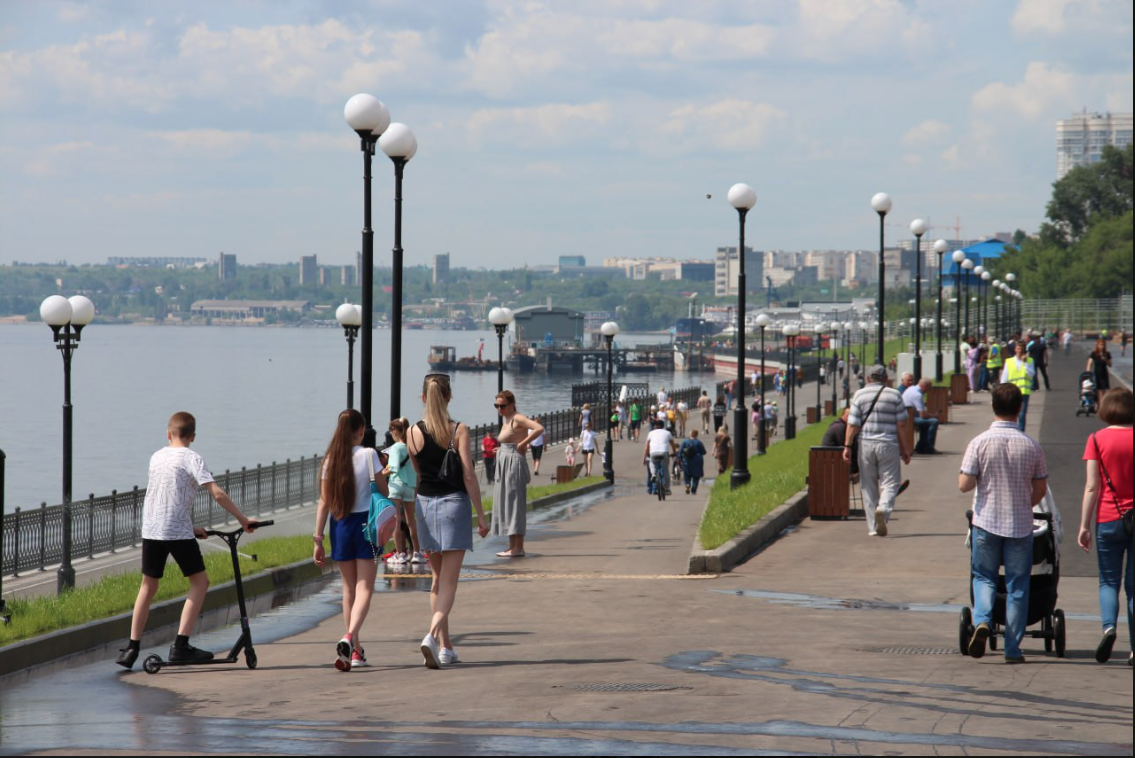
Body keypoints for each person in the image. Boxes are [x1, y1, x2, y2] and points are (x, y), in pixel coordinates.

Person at [117, 412, 260, 669]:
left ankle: (131, 648)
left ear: (168, 433)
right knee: (200, 582)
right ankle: (181, 646)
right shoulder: (193, 458)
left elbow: (165, 498)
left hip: (152, 529)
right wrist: (242, 519)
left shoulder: (156, 456)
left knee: (148, 587)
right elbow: (216, 493)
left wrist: (191, 528)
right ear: (193, 436)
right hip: (176, 532)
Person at [959, 383, 1049, 664]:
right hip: (1020, 523)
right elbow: (1040, 489)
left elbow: (964, 485)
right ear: (1020, 409)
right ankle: (1012, 648)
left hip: (986, 521)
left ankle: (983, 620)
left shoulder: (979, 442)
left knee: (984, 576)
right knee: (1017, 585)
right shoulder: (1031, 445)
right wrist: (1024, 502)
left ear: (993, 406)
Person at [407, 373, 490, 669]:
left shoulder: (412, 432)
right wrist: (481, 514)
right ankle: (431, 636)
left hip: (425, 506)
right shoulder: (459, 430)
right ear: (449, 397)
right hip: (454, 504)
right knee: (451, 583)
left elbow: (417, 475)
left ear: (422, 398)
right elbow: (468, 473)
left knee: (437, 581)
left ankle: (446, 647)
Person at [308, 409, 387, 670]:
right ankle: (349, 638)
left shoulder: (330, 460)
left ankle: (355, 651)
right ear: (361, 431)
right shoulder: (369, 455)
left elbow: (323, 503)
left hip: (339, 524)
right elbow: (383, 491)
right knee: (365, 587)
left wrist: (317, 540)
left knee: (348, 589)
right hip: (366, 524)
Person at [1077, 387, 1133, 666]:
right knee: (1134, 587)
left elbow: (1091, 487)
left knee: (1109, 581)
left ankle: (1109, 627)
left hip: (1109, 519)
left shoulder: (1096, 439)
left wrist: (1084, 526)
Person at [844, 365, 911, 537]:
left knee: (868, 485)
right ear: (886, 378)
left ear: (868, 379)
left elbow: (852, 424)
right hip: (888, 443)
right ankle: (883, 509)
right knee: (890, 483)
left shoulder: (859, 395)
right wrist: (905, 449)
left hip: (865, 443)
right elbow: (902, 424)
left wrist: (847, 446)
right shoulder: (895, 394)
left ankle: (873, 527)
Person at [491, 390, 543, 559]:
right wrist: (501, 449)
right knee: (508, 502)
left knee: (515, 503)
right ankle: (512, 546)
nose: (499, 409)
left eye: (502, 405)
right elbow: (509, 440)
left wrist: (522, 443)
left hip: (514, 463)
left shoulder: (517, 417)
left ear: (512, 404)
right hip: (505, 460)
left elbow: (538, 428)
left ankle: (518, 547)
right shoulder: (506, 420)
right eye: (497, 406)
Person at [385, 418, 424, 567]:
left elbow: (393, 466)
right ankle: (417, 552)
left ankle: (400, 554)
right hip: (410, 486)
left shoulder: (395, 448)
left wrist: (382, 474)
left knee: (396, 521)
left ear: (395, 431)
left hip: (396, 485)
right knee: (411, 521)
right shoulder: (411, 446)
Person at [1000, 341, 1036, 432]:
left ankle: (1021, 430)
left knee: (1022, 413)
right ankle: (1012, 429)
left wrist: (1025, 363)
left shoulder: (1030, 361)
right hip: (1012, 390)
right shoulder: (1009, 361)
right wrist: (1001, 388)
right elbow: (1005, 376)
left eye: (1021, 349)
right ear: (1015, 349)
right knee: (1012, 411)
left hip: (1024, 391)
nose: (1019, 351)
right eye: (1018, 348)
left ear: (1024, 350)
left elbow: (1031, 374)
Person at [903, 377, 940, 455]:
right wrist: (934, 415)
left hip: (905, 416)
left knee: (925, 423)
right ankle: (928, 447)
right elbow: (923, 415)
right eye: (929, 387)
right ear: (925, 386)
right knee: (933, 421)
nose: (929, 390)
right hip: (910, 419)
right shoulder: (918, 395)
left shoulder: (911, 389)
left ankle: (921, 446)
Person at [644, 419, 678, 494]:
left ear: (655, 426)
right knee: (665, 470)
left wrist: (647, 454)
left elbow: (647, 446)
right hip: (664, 452)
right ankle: (667, 489)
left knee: (653, 465)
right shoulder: (668, 433)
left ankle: (653, 476)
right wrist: (674, 453)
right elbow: (673, 444)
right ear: (663, 426)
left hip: (653, 452)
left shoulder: (651, 433)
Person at [679, 429, 708, 494]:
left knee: (687, 474)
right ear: (696, 435)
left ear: (690, 434)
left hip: (686, 460)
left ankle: (687, 484)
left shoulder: (685, 442)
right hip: (697, 460)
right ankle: (694, 489)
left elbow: (680, 452)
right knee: (696, 475)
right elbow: (704, 452)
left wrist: (679, 458)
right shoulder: (699, 442)